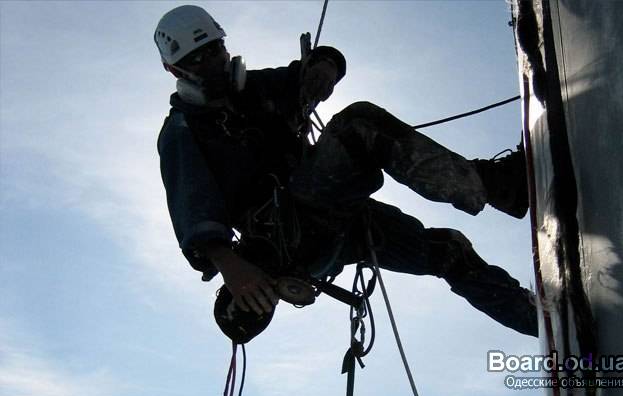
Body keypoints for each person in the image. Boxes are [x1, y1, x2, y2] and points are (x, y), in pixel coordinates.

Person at [154, 5, 537, 340]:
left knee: (447, 252)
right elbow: (194, 211)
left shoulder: (254, 90)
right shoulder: (183, 131)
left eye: (214, 50)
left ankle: (535, 316)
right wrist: (230, 267)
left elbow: (309, 71)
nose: (212, 63)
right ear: (174, 69)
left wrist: (325, 66)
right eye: (196, 60)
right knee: (358, 126)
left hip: (337, 224)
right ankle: (497, 186)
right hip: (294, 230)